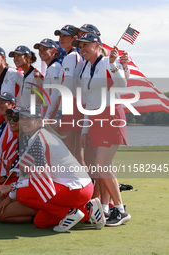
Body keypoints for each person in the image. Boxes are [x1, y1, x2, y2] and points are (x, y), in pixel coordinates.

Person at [0, 106, 105, 232]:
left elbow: (39, 179)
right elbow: (28, 176)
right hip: (72, 187)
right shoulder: (36, 137)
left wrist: (12, 187)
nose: (24, 122)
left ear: (39, 122)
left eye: (29, 118)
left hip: (77, 189)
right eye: (22, 118)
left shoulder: (39, 140)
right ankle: (89, 209)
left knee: (22, 194)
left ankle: (71, 211)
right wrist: (11, 192)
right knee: (41, 222)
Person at [73, 32, 131, 226]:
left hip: (111, 115)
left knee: (101, 165)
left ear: (97, 45)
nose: (82, 49)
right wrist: (84, 130)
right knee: (105, 166)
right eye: (80, 46)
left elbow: (122, 84)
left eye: (86, 45)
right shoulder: (84, 69)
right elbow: (88, 103)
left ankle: (120, 209)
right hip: (95, 119)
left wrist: (114, 64)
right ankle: (105, 209)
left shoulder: (107, 62)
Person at [0, 107, 37, 223]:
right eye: (10, 117)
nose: (12, 121)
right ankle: (36, 215)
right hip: (29, 187)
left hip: (40, 190)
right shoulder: (22, 141)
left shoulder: (32, 141)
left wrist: (9, 198)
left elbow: (33, 178)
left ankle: (40, 213)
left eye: (17, 118)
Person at [53, 25, 85, 165]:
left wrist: (59, 113)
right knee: (76, 153)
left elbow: (68, 87)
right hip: (72, 107)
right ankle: (89, 186)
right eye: (60, 36)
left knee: (70, 154)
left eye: (65, 36)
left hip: (69, 108)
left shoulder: (71, 57)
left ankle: (85, 186)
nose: (61, 39)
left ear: (75, 38)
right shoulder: (74, 56)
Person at [33, 39, 62, 120]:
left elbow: (55, 94)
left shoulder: (54, 67)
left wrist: (47, 116)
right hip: (48, 111)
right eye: (40, 50)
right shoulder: (50, 68)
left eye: (45, 49)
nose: (41, 52)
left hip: (52, 113)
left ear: (54, 51)